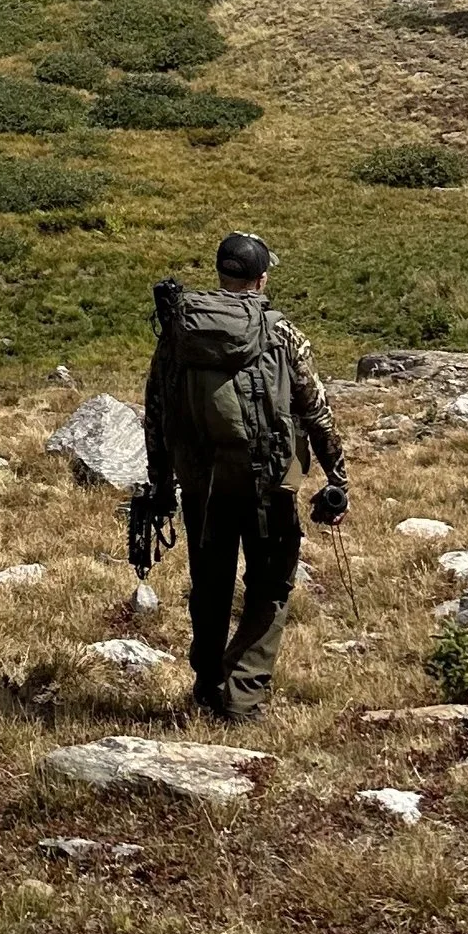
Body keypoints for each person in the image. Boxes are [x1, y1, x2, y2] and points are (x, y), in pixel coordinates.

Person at [135, 231, 349, 721]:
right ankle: (244, 696)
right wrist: (337, 476)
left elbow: (156, 412)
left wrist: (162, 483)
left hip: (202, 484)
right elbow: (316, 410)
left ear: (221, 273)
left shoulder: (179, 332)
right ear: (262, 276)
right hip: (268, 483)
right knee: (270, 585)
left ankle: (208, 685)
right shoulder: (282, 333)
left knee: (210, 586)